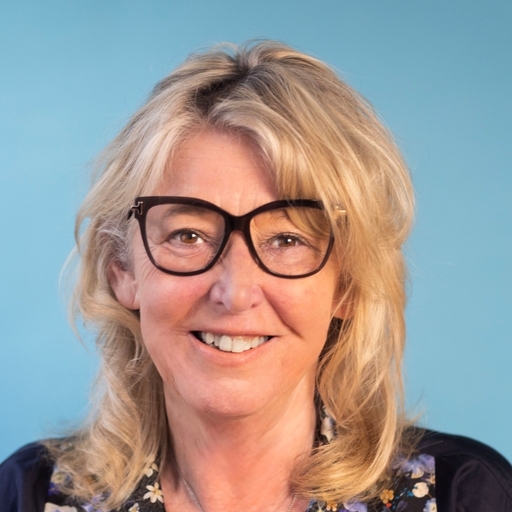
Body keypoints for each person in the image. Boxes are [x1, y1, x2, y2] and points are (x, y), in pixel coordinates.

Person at [1, 41, 511, 512]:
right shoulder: (27, 495)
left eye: (287, 240)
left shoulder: (466, 495)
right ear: (122, 270)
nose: (235, 292)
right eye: (188, 235)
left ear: (348, 285)